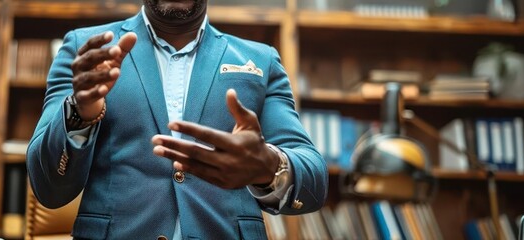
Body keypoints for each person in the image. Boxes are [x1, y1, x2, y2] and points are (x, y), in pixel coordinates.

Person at [27, 0, 327, 238]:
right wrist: (81, 112)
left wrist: (268, 166)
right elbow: (48, 187)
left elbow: (314, 179)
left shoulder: (261, 60)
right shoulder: (86, 51)